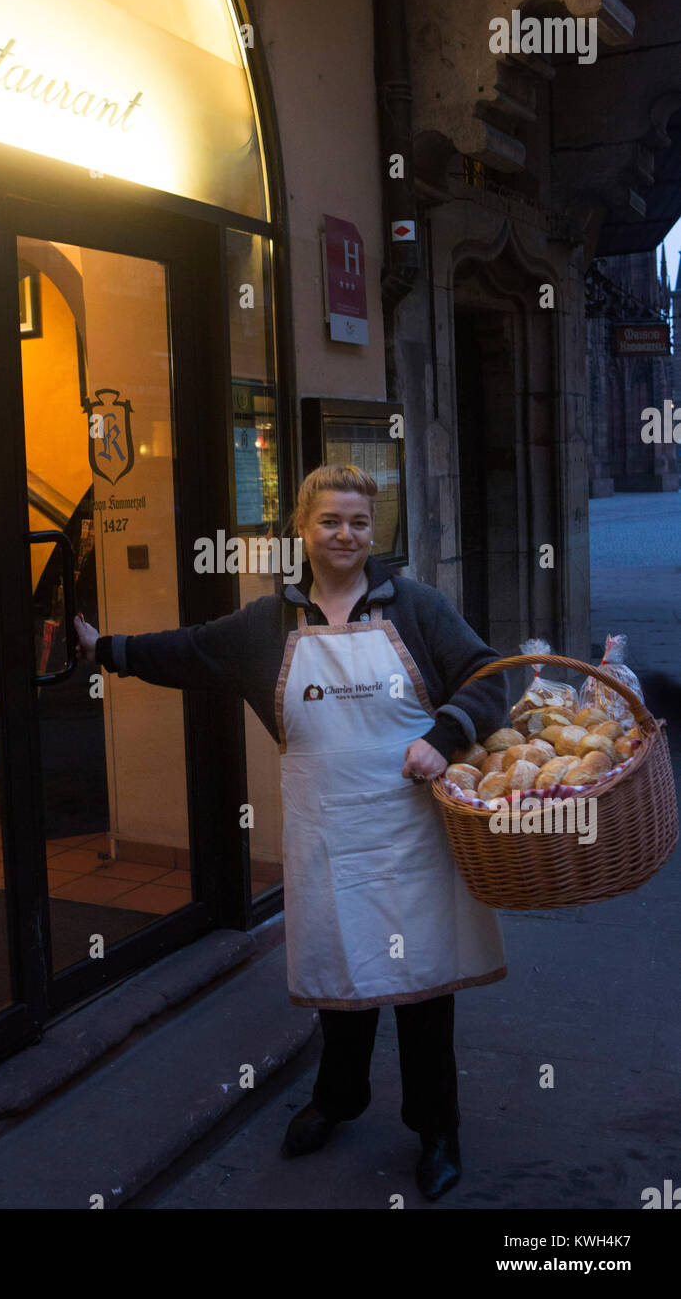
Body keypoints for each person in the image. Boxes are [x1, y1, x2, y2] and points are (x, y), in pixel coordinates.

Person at [74, 464, 509, 1200]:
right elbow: (182, 650)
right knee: (342, 973)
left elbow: (492, 674)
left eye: (360, 523)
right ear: (303, 530)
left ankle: (437, 1127)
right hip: (329, 836)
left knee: (423, 985)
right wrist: (107, 649)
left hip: (411, 839)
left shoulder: (417, 607)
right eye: (332, 521)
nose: (347, 535)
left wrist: (446, 733)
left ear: (376, 532)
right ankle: (340, 1100)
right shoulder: (264, 626)